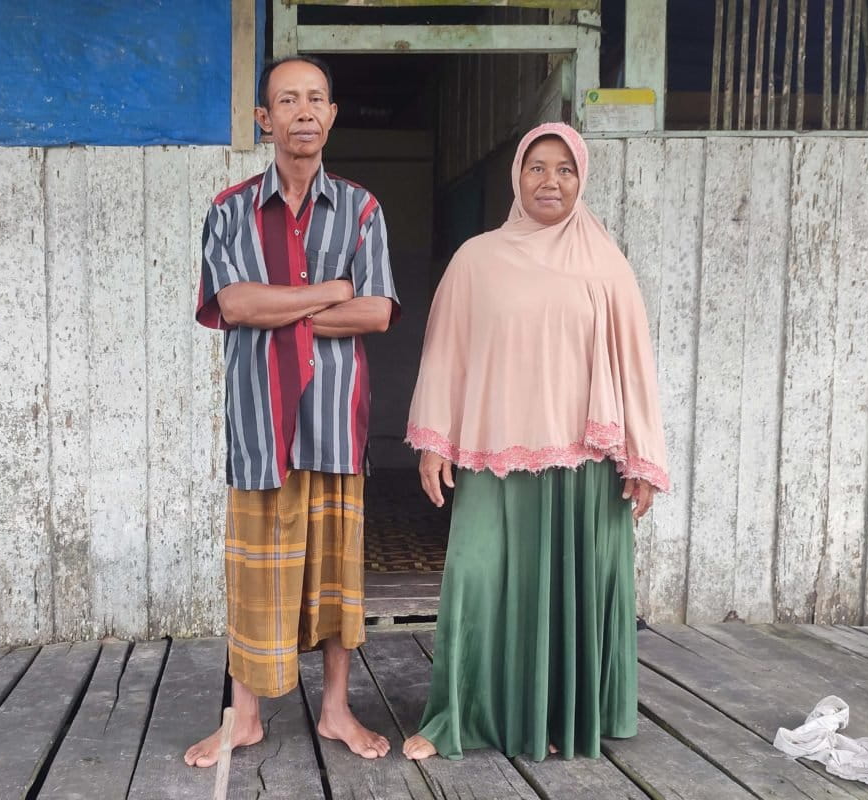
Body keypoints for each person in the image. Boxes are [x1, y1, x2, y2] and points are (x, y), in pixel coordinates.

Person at [402, 122, 669, 762]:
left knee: (568, 592)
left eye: (565, 169)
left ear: (581, 180)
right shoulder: (476, 260)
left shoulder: (605, 262)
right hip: (494, 456)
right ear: (517, 177)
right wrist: (435, 441)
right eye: (537, 167)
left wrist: (642, 458)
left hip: (585, 465)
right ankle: (461, 716)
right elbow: (446, 353)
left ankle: (555, 717)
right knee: (480, 576)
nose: (551, 181)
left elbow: (635, 365)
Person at [184, 56, 400, 768]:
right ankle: (244, 717)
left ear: (331, 115)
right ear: (264, 119)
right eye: (287, 100)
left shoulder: (362, 209)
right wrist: (329, 291)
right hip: (260, 424)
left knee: (337, 578)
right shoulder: (230, 209)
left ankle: (335, 709)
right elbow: (234, 304)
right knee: (255, 577)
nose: (303, 111)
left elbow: (376, 312)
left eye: (315, 99)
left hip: (336, 421)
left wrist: (281, 308)